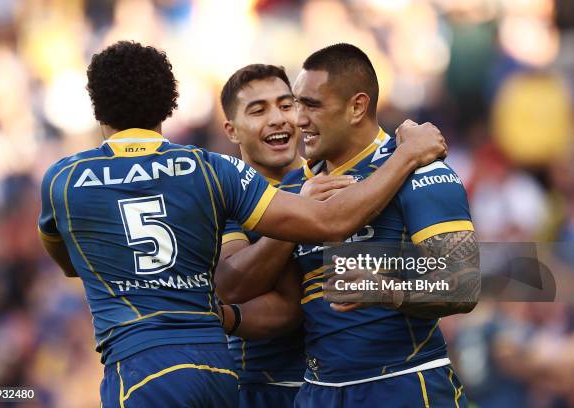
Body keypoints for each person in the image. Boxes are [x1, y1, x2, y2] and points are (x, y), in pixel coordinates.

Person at [38, 41, 447, 407]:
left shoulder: (63, 180)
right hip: (239, 378)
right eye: (259, 109)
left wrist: (384, 279)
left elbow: (472, 278)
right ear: (228, 129)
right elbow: (245, 283)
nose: (282, 119)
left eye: (289, 105)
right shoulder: (216, 175)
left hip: (342, 386)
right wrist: (406, 157)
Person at [220, 43, 480, 407]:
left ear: (357, 106)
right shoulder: (297, 191)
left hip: (403, 385)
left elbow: (463, 284)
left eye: (311, 105)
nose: (297, 120)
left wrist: (386, 290)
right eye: (297, 104)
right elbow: (247, 288)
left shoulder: (422, 169)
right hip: (318, 393)